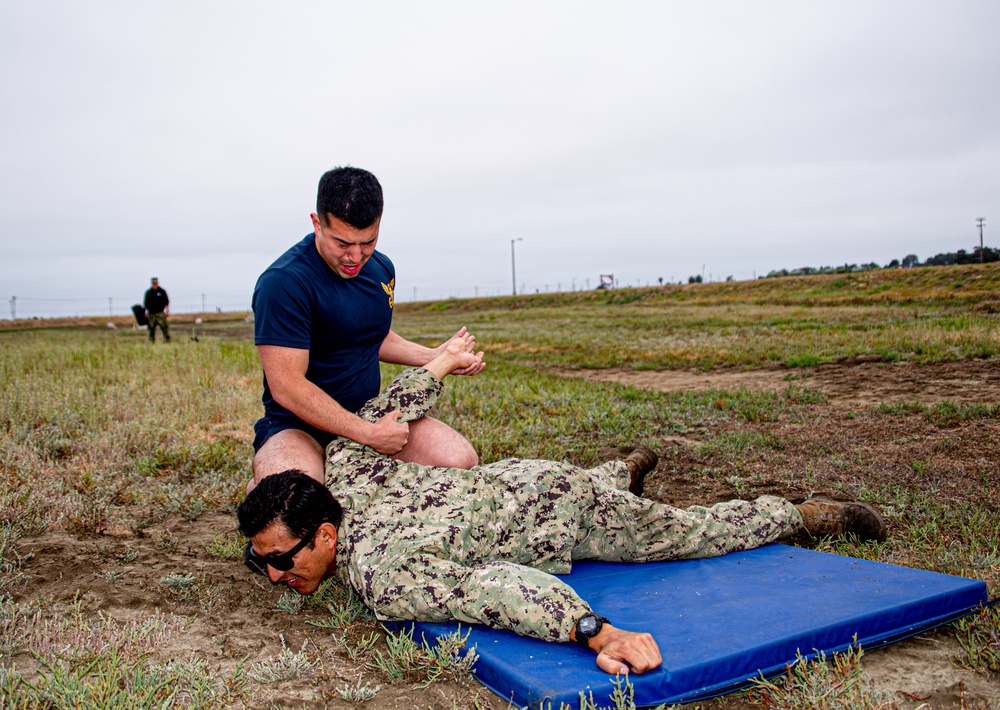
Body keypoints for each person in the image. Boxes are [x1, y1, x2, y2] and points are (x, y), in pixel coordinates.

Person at [238, 336, 888, 675]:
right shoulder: (348, 461)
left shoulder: (384, 569)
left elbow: (498, 589)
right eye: (261, 560)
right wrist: (437, 367)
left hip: (563, 513)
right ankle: (619, 471)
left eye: (280, 559)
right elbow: (395, 407)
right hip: (521, 479)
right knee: (588, 485)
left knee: (690, 533)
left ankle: (806, 514)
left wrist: (593, 632)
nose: (274, 574)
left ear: (324, 533)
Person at [250, 167, 485, 491]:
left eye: (368, 241)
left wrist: (434, 355)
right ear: (317, 224)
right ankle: (266, 486)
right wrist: (365, 434)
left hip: (372, 414)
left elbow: (371, 337)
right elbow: (287, 386)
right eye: (343, 243)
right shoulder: (284, 283)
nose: (355, 257)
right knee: (294, 502)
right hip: (298, 428)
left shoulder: (381, 269)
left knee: (459, 462)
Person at [143, 277, 170, 343]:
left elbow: (166, 302)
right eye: (153, 283)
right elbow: (145, 304)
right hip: (151, 314)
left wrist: (167, 311)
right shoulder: (148, 292)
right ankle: (152, 342)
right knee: (151, 329)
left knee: (164, 328)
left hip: (160, 313)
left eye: (155, 283)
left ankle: (167, 341)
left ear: (157, 283)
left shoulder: (162, 291)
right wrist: (145, 312)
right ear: (151, 283)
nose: (154, 284)